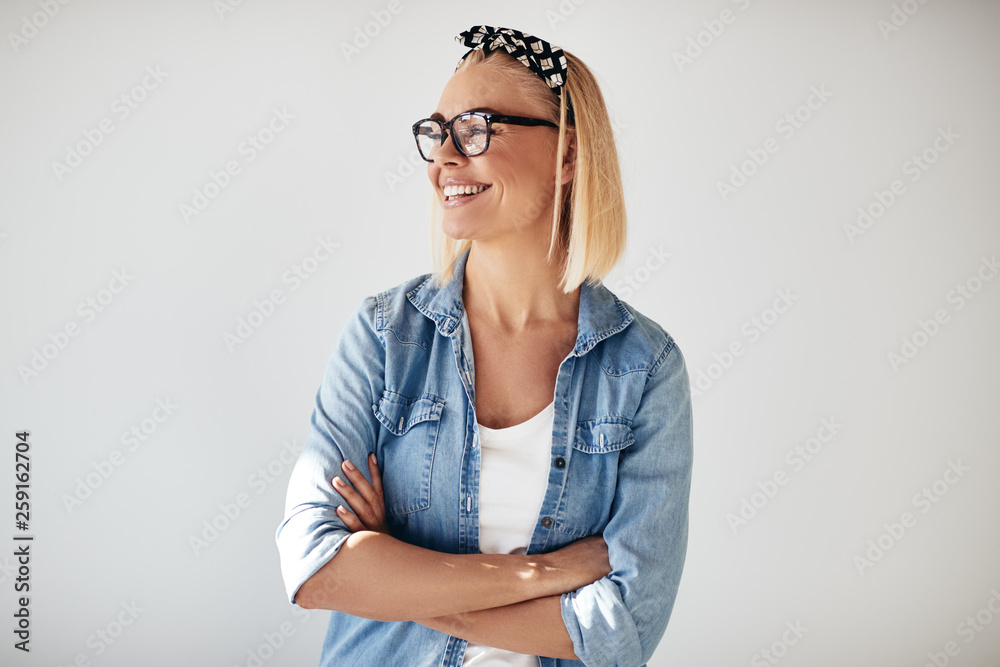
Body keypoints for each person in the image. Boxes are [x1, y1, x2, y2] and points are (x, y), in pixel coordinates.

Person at [275, 25, 693, 667]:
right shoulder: (385, 336)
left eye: (473, 129)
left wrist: (394, 569)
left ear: (569, 155)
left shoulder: (643, 367)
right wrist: (545, 574)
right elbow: (314, 566)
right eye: (435, 132)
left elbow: (625, 628)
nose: (444, 156)